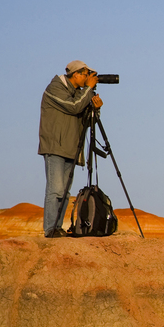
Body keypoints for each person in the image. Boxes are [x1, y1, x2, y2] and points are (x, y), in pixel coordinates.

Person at [38, 60, 103, 237]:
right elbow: (73, 107)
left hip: (71, 148)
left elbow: (85, 120)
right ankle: (50, 229)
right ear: (76, 74)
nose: (88, 79)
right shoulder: (55, 88)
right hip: (55, 146)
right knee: (55, 189)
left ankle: (57, 228)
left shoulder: (78, 94)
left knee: (65, 193)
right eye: (86, 75)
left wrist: (95, 109)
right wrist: (88, 90)